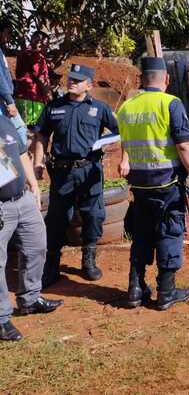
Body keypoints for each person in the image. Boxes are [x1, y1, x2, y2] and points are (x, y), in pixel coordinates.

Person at [117, 57, 189, 310]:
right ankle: (166, 291)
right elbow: (184, 145)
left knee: (142, 233)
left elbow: (126, 142)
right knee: (169, 231)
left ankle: (135, 288)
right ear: (166, 79)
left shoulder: (127, 107)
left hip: (140, 186)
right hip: (167, 183)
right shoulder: (171, 103)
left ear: (142, 80)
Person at [33, 64, 119, 287]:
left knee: (94, 215)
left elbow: (120, 132)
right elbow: (41, 135)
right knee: (57, 218)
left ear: (89, 86)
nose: (72, 82)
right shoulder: (54, 107)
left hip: (90, 171)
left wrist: (109, 146)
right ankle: (52, 263)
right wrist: (38, 162)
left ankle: (88, 260)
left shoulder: (100, 108)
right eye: (71, 78)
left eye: (78, 80)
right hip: (62, 173)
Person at [0, 115, 63, 341]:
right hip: (1, 206)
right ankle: (2, 318)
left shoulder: (3, 120)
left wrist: (34, 185)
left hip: (22, 198)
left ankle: (30, 298)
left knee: (36, 246)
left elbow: (19, 153)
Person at [0, 19, 29, 146]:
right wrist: (9, 101)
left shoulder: (1, 51)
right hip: (3, 101)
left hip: (5, 99)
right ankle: (18, 162)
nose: (9, 37)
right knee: (20, 132)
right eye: (8, 33)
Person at [14, 30, 50, 127]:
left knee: (22, 128)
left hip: (20, 96)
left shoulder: (22, 53)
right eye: (45, 44)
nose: (46, 47)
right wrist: (48, 95)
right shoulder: (37, 57)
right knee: (32, 132)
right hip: (32, 98)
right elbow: (41, 79)